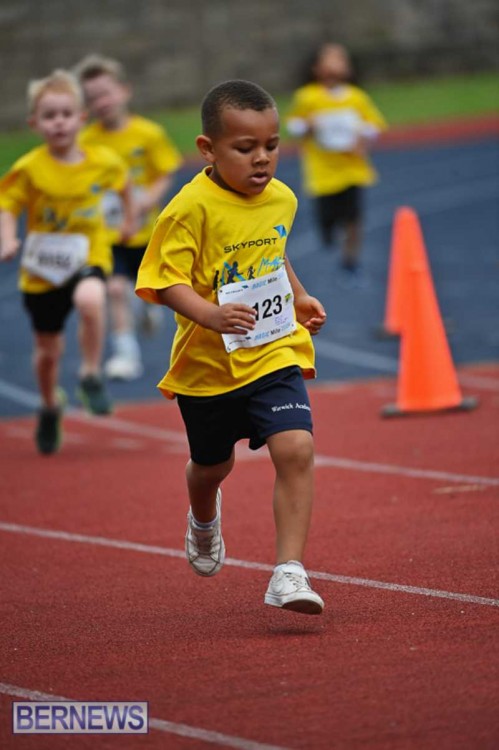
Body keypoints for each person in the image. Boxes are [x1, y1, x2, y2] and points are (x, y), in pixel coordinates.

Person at [136, 79, 327, 615]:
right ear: (208, 149)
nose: (261, 158)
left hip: (272, 349)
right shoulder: (188, 209)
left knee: (296, 448)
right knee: (211, 467)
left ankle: (288, 572)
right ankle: (203, 517)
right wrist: (211, 315)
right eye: (245, 148)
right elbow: (165, 281)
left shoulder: (282, 198)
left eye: (271, 145)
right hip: (208, 368)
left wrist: (299, 296)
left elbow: (272, 251)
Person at [0, 69, 134, 455]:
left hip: (88, 253)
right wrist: (7, 239)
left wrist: (128, 221)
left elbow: (124, 185)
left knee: (91, 299)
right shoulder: (29, 168)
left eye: (65, 114)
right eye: (49, 116)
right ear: (35, 123)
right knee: (47, 353)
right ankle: (48, 405)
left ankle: (90, 373)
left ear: (81, 119)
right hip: (42, 268)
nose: (58, 122)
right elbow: (8, 206)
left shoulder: (104, 161)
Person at [75, 54, 183, 380]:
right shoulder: (86, 141)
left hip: (147, 232)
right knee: (115, 290)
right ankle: (126, 355)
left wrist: (147, 200)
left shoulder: (148, 134)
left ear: (125, 91)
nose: (101, 102)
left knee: (154, 290)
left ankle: (149, 308)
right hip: (109, 234)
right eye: (92, 98)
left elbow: (165, 170)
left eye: (106, 93)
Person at [286, 43, 387, 287]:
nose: (336, 64)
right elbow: (293, 125)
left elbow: (374, 124)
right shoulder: (308, 97)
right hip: (322, 172)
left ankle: (350, 261)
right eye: (330, 59)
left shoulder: (356, 97)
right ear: (317, 67)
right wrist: (307, 126)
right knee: (327, 220)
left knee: (354, 218)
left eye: (341, 59)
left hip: (352, 170)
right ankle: (329, 232)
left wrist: (362, 138)